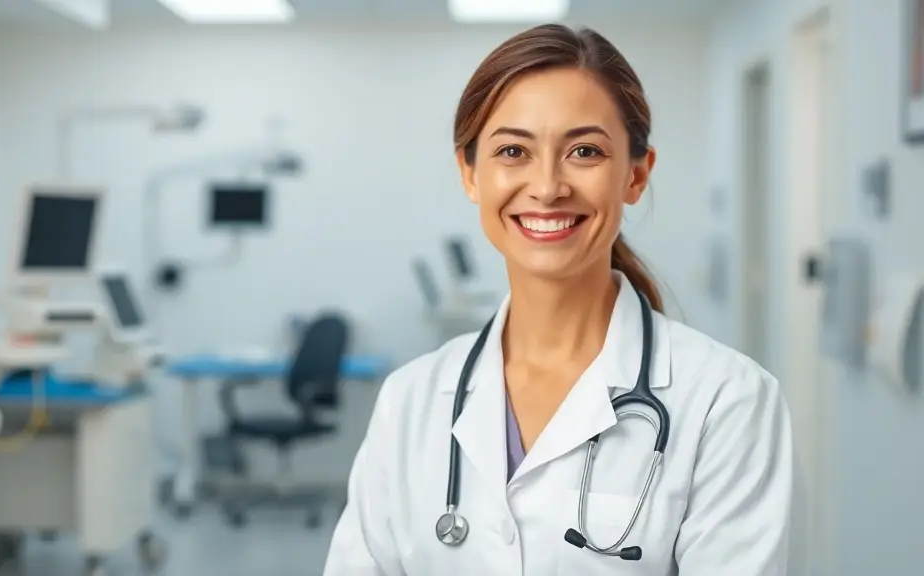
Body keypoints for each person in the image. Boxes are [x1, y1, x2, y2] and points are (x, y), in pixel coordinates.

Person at [324, 23, 793, 576]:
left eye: (584, 151)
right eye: (513, 150)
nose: (547, 187)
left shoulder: (728, 402)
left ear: (636, 175)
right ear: (470, 174)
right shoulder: (409, 402)